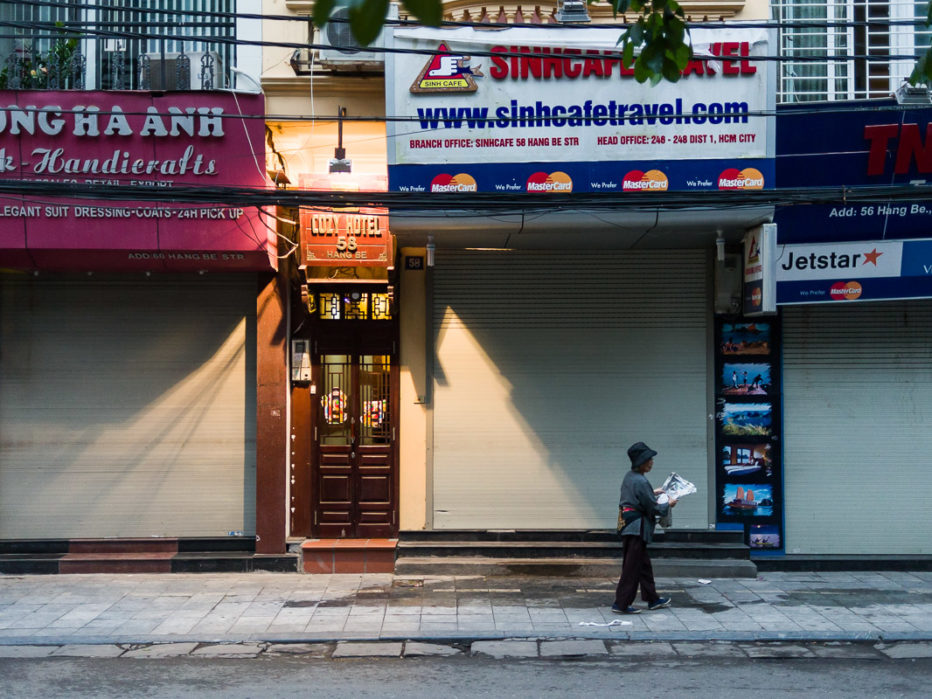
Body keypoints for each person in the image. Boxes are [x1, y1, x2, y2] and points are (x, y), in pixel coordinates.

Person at [612, 441, 677, 614]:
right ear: (641, 461)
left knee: (642, 565)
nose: (652, 462)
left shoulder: (630, 476)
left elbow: (637, 497)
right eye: (649, 459)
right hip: (636, 529)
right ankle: (621, 604)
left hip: (628, 525)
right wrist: (669, 504)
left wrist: (652, 492)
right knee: (632, 568)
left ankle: (653, 599)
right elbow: (654, 508)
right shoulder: (641, 481)